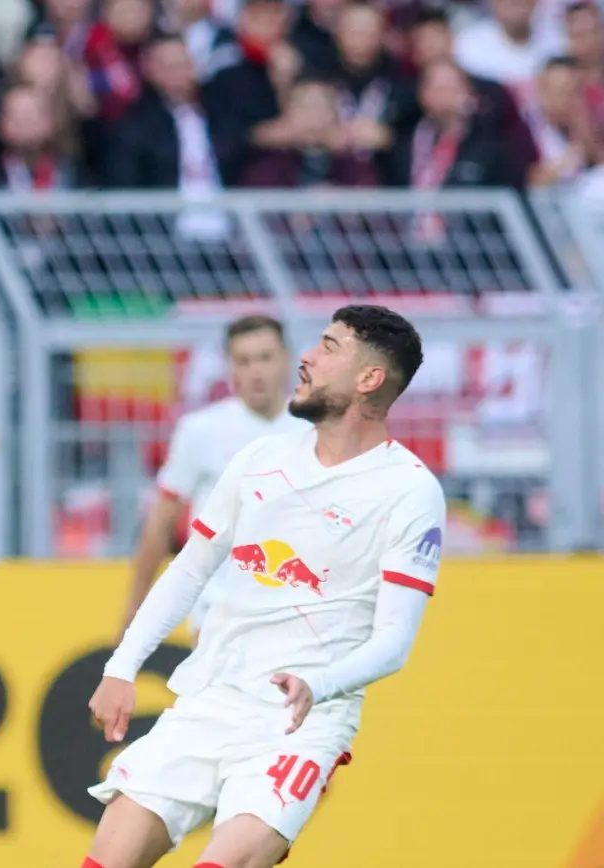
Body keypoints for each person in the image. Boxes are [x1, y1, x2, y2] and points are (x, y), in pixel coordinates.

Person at [84, 304, 443, 868]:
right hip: (209, 700)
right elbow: (188, 569)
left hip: (298, 724)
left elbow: (394, 641)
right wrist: (122, 667)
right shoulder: (258, 458)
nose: (306, 356)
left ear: (369, 379)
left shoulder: (409, 491)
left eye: (328, 348)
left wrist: (317, 684)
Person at [118, 315, 307, 641]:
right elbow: (161, 521)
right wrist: (135, 610)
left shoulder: (315, 429)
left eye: (265, 357)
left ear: (286, 358)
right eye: (244, 361)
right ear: (229, 367)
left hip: (298, 613)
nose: (256, 371)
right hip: (218, 612)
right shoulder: (200, 430)